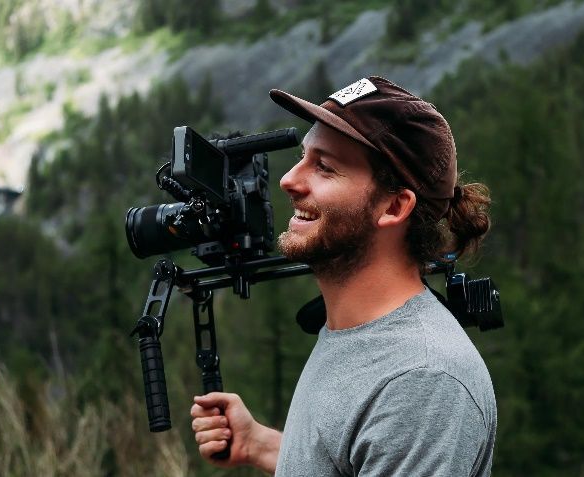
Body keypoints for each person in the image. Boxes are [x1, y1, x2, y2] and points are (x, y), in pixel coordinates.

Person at [190, 76, 496, 476]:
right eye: (303, 157)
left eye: (325, 168)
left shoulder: (421, 381)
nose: (289, 180)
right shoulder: (358, 334)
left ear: (393, 206)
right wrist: (262, 446)